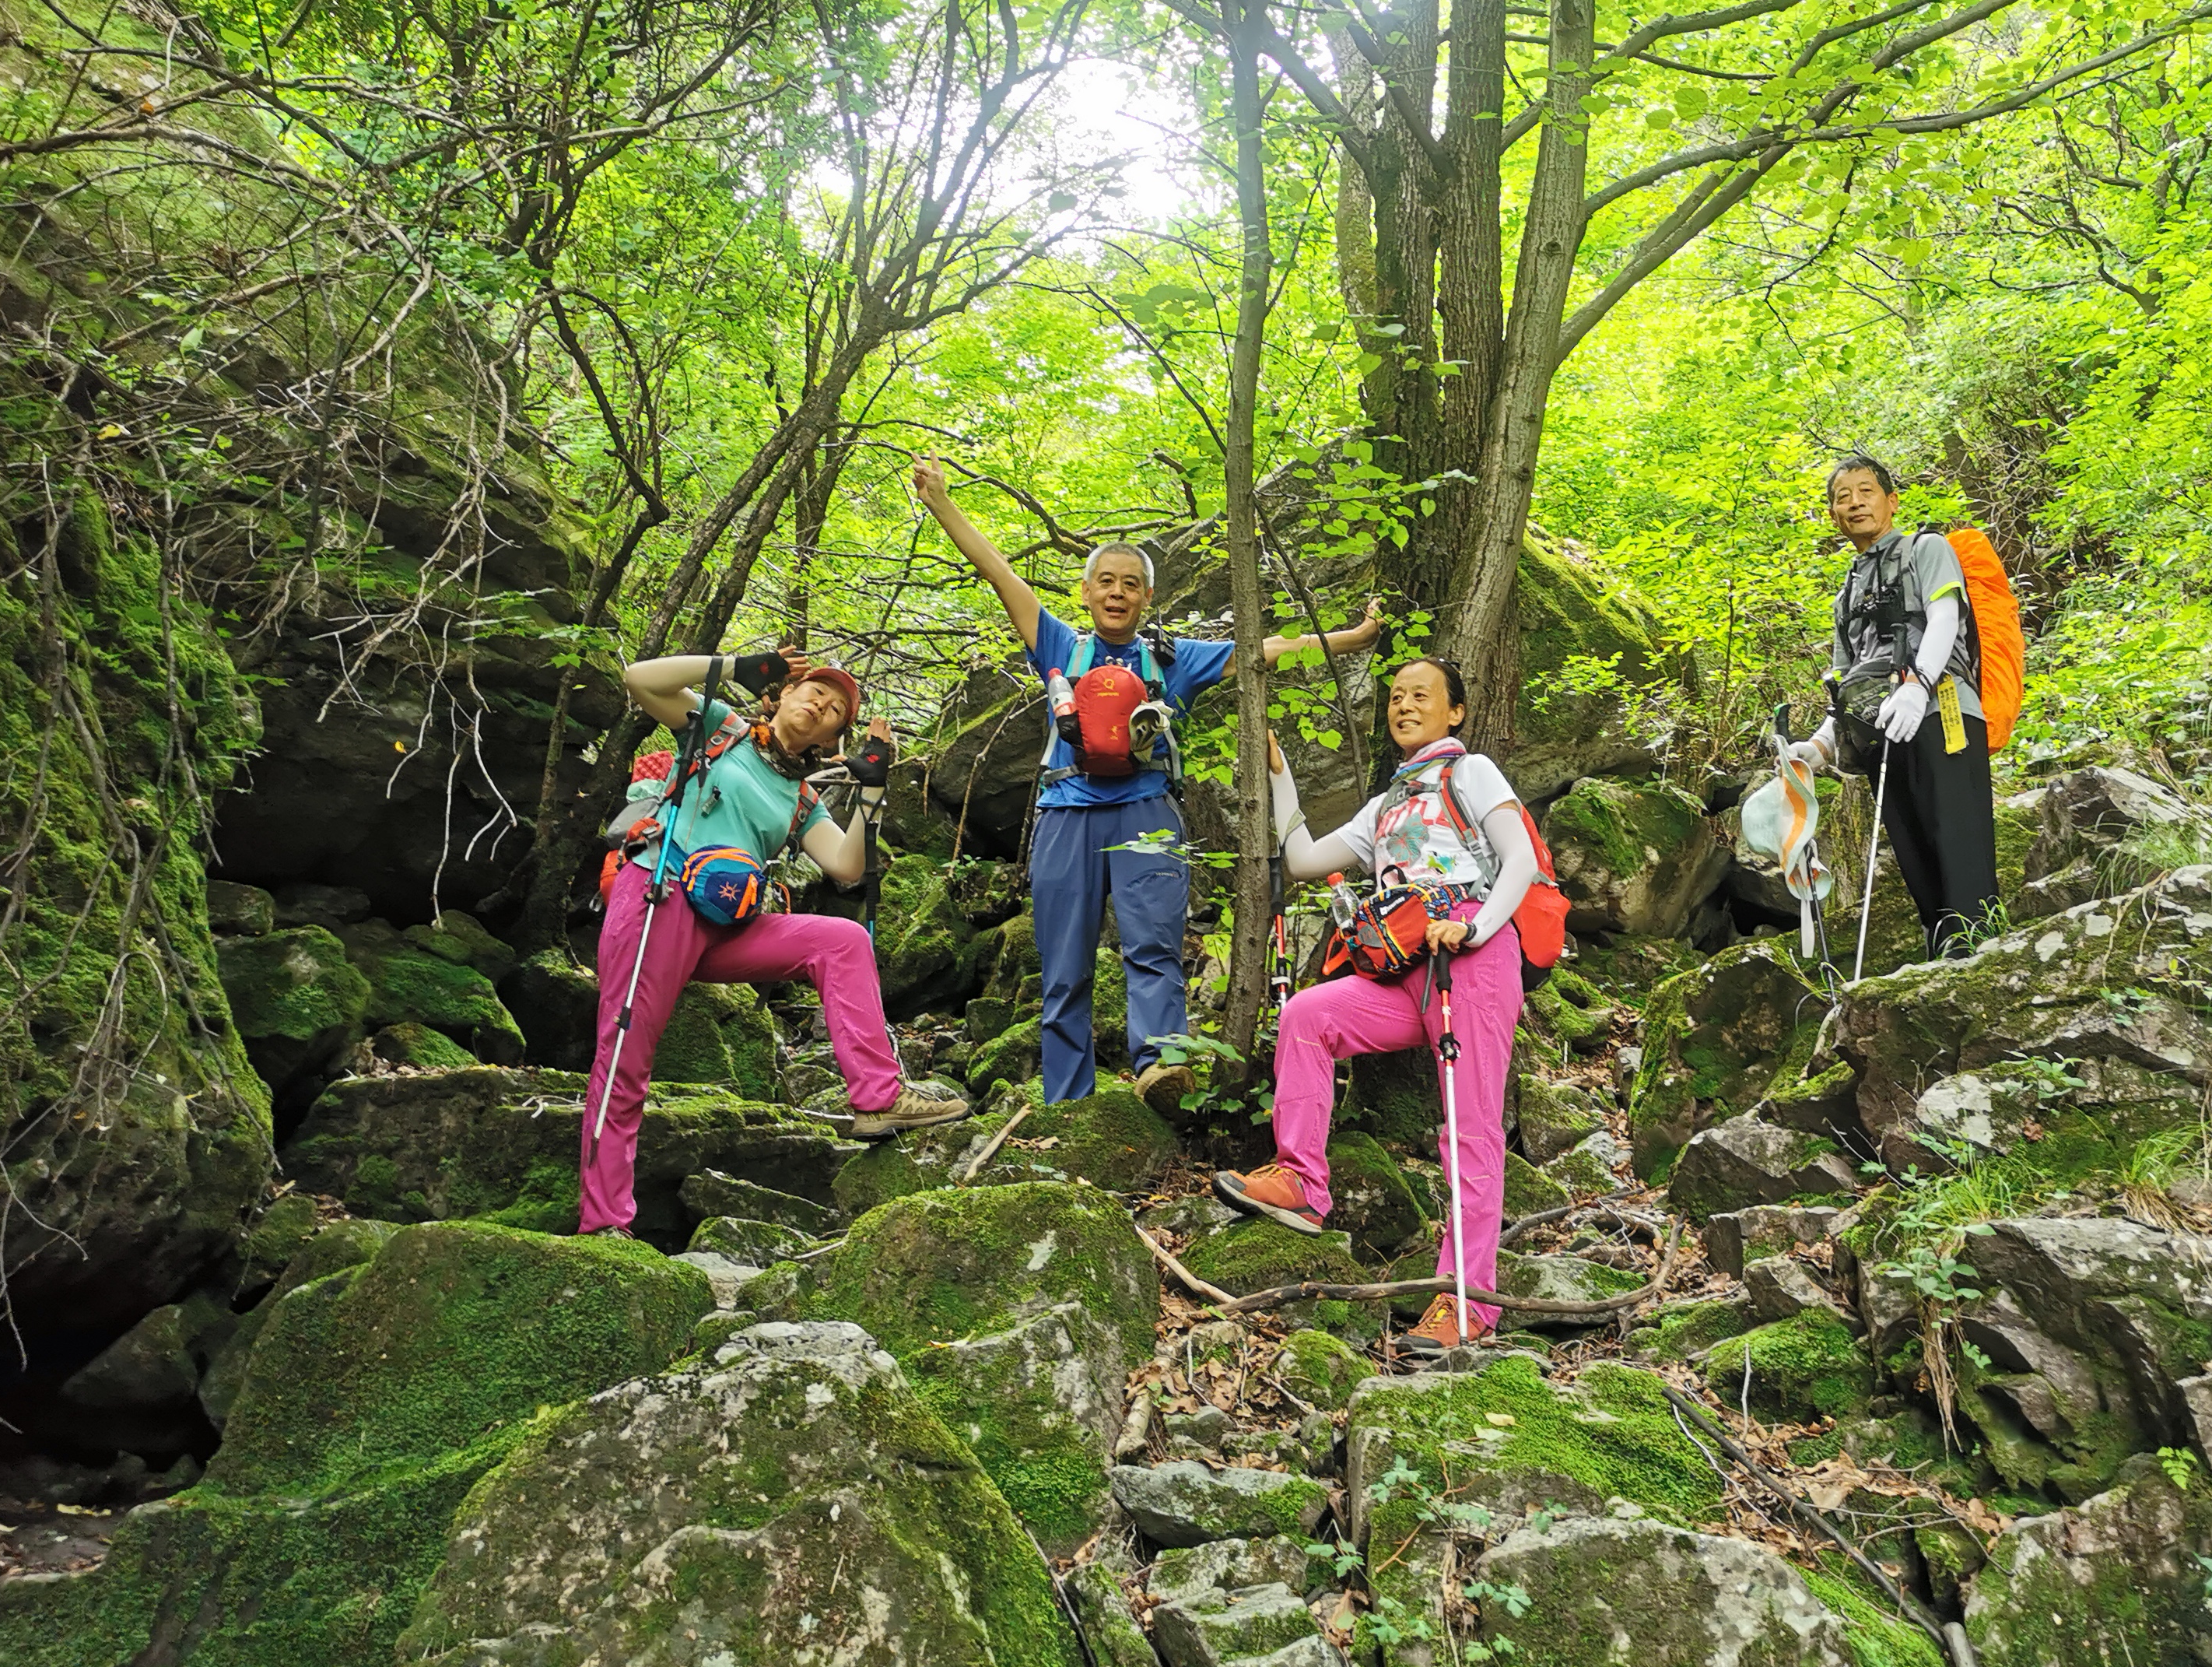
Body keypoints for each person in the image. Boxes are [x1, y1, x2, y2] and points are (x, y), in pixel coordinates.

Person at [913, 457, 1384, 1101]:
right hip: (1066, 811)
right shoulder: (1059, 646)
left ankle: (1161, 1066)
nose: (1116, 592)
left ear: (1147, 598)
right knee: (1063, 965)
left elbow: (1266, 649)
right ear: (1086, 593)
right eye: (1105, 582)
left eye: (1130, 584)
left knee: (1154, 949)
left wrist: (1353, 639)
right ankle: (1067, 1096)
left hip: (1146, 809)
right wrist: (942, 503)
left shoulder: (1175, 658)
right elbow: (1001, 575)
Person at [580, 651, 968, 1238]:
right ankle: (605, 1222)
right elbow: (638, 678)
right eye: (813, 692)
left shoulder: (802, 798)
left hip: (726, 924)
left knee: (840, 941)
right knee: (626, 1060)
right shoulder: (720, 729)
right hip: (659, 897)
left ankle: (878, 1097)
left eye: (835, 710)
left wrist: (871, 792)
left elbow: (846, 866)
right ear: (781, 695)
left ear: (834, 737)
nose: (820, 706)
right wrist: (734, 665)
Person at [1215, 657, 1539, 1356]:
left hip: (1473, 962)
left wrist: (1477, 927)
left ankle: (1466, 1303)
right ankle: (1302, 1181)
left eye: (1421, 695)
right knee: (1308, 1015)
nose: (1404, 705)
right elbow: (1302, 858)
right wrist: (1279, 776)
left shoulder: (1471, 772)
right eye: (1395, 697)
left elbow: (1520, 861)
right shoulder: (1387, 803)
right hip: (1405, 972)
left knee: (1471, 1130)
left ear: (1454, 711)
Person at [1822, 454, 2002, 958]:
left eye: (1865, 491)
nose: (1855, 502)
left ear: (1891, 500)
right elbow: (1843, 685)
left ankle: (1979, 946)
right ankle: (1943, 950)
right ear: (1834, 516)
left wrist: (1919, 683)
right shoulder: (1846, 596)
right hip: (1881, 729)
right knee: (1913, 848)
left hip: (1942, 710)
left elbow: (1946, 617)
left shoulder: (1927, 549)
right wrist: (1817, 746)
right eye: (1843, 497)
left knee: (1956, 831)